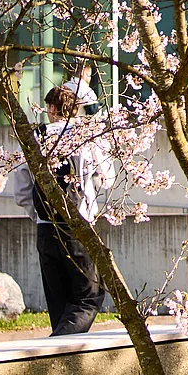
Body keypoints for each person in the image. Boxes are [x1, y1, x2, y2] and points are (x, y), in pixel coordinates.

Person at [11, 87, 114, 335]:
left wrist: (38, 215)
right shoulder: (86, 136)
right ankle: (56, 343)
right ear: (74, 109)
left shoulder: (35, 136)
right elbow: (108, 176)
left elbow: (21, 190)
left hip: (45, 230)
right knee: (89, 296)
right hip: (77, 227)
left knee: (59, 303)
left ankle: (61, 361)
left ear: (52, 109)